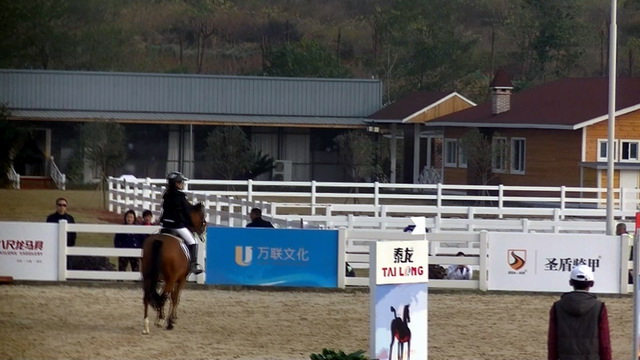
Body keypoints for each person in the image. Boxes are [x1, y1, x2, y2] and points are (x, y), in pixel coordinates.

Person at [547, 265, 611, 360]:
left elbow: (552, 342)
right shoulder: (599, 307)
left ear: (570, 282)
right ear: (591, 284)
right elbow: (605, 343)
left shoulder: (557, 306)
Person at [159, 171, 203, 275]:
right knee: (193, 242)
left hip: (165, 225)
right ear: (177, 183)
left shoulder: (166, 195)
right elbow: (187, 211)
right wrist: (190, 222)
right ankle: (193, 265)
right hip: (176, 226)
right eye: (181, 182)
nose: (182, 184)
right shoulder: (180, 196)